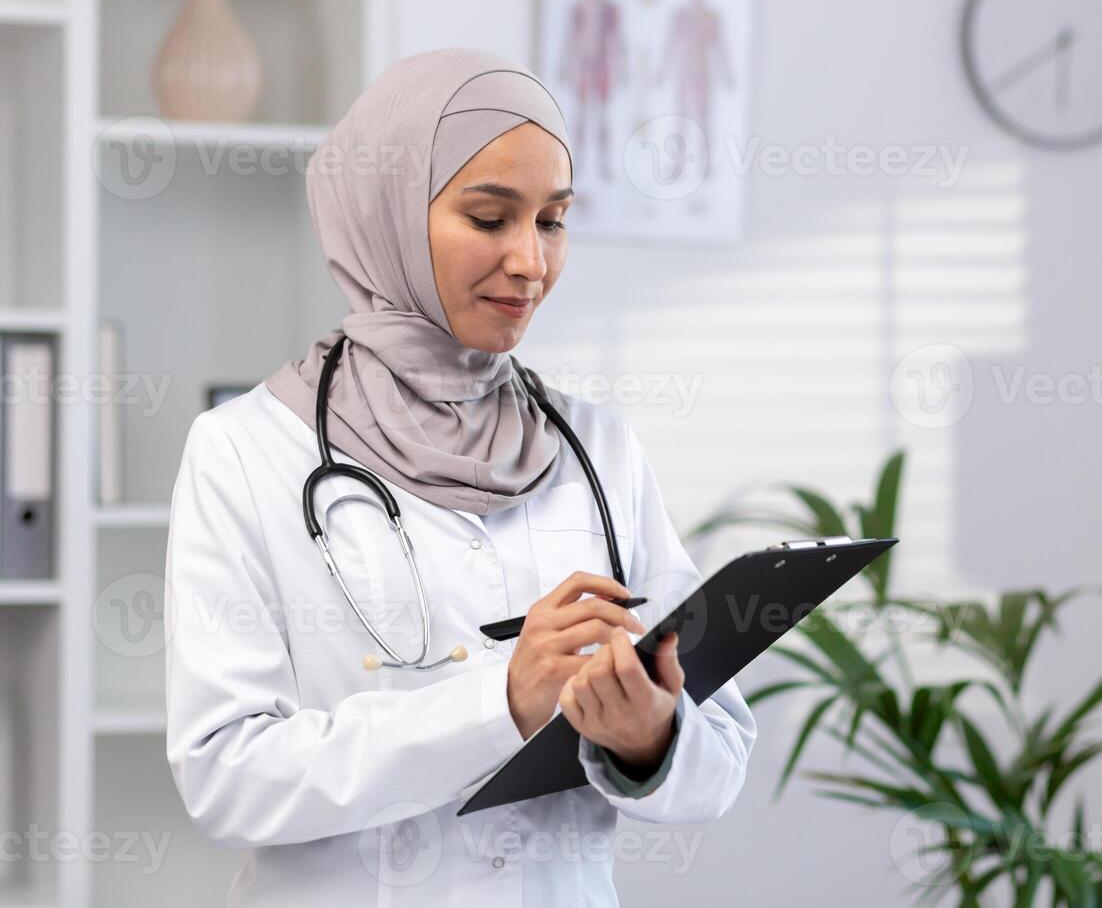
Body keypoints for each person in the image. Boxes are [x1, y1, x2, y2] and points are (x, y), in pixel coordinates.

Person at [162, 47, 756, 907]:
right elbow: (227, 776)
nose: (530, 262)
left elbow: (722, 760)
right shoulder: (247, 451)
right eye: (489, 218)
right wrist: (501, 703)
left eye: (552, 221)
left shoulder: (599, 450)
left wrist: (650, 738)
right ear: (388, 215)